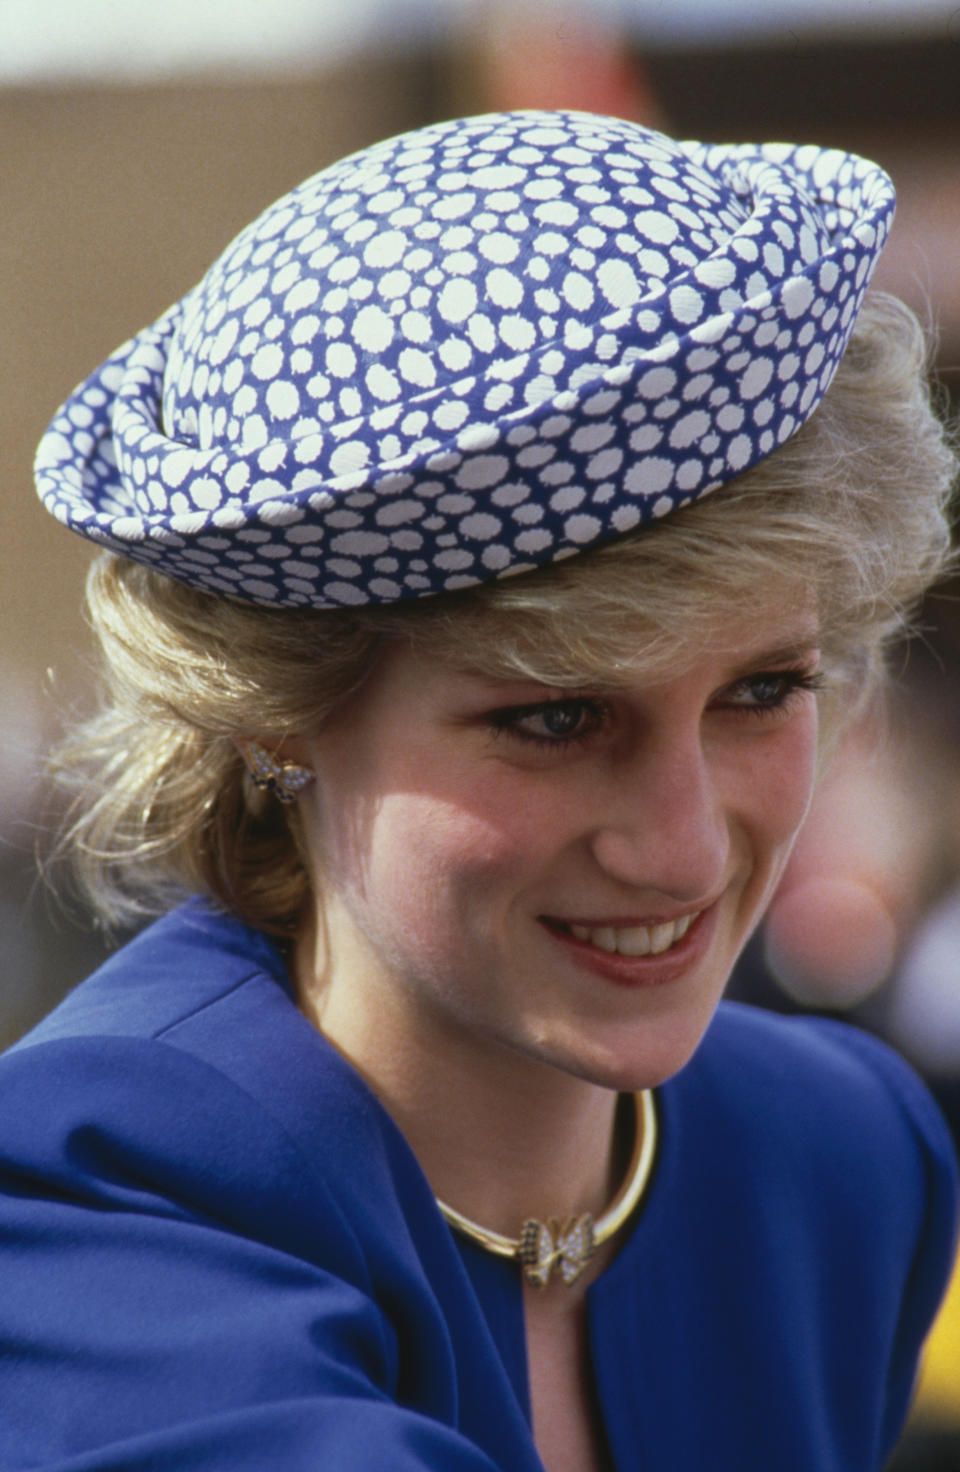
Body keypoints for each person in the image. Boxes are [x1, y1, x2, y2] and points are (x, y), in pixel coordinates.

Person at [2, 111, 957, 1472]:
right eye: (557, 719)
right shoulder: (90, 1193)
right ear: (278, 714)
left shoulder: (835, 1160)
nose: (683, 846)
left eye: (761, 692)